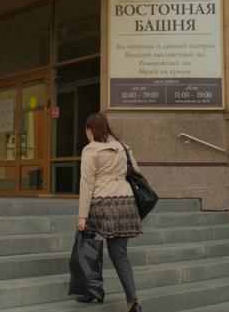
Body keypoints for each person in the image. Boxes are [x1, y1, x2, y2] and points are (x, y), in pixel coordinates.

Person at [76, 112, 143, 312]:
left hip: (102, 204)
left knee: (85, 241)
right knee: (119, 254)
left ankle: (92, 290)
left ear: (90, 129)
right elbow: (137, 174)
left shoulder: (91, 150)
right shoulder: (124, 147)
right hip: (126, 205)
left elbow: (87, 184)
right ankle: (133, 302)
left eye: (87, 129)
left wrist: (82, 216)